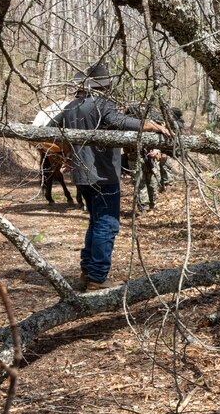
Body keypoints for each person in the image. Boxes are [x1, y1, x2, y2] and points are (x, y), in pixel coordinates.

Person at [52, 63, 171, 290]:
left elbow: (50, 129)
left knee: (96, 222)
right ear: (104, 86)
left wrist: (69, 154)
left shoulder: (70, 107)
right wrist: (151, 125)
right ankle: (97, 277)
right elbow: (119, 121)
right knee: (107, 224)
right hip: (102, 175)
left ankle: (87, 272)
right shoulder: (101, 103)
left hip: (82, 176)